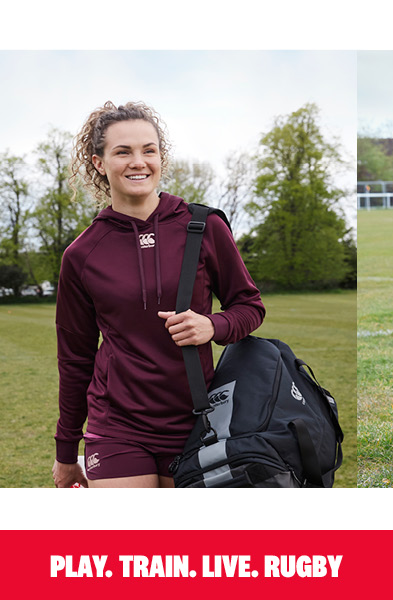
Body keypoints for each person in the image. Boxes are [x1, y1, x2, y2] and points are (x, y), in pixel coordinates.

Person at [51, 101, 264, 488]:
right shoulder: (81, 255)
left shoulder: (203, 226)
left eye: (149, 150)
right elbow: (74, 359)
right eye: (123, 151)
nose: (139, 162)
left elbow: (249, 307)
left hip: (198, 419)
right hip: (116, 425)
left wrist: (212, 326)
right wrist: (66, 452)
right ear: (99, 163)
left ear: (161, 157)